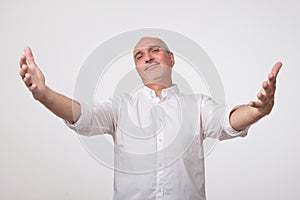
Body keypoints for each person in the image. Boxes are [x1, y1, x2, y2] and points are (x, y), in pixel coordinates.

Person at [19, 37, 282, 200]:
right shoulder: (120, 107)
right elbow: (82, 115)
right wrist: (44, 94)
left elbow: (228, 120)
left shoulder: (198, 105)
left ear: (171, 59)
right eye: (139, 55)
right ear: (137, 67)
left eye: (155, 51)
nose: (147, 57)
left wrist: (258, 110)